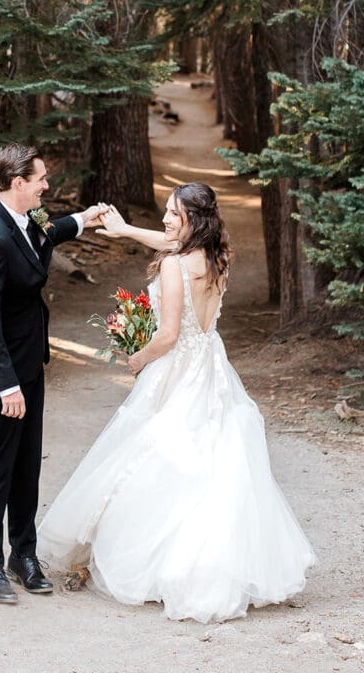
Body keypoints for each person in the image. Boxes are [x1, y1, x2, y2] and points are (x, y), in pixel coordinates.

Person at [37, 182, 316, 623]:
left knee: (155, 457)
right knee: (212, 462)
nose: (165, 220)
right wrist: (125, 230)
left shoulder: (173, 267)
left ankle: (159, 566)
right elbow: (169, 244)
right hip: (210, 363)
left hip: (176, 369)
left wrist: (137, 358)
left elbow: (167, 336)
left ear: (192, 221)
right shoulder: (215, 257)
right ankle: (214, 565)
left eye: (173, 214)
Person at [0, 143, 107, 605]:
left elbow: (49, 232)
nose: (47, 185)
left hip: (29, 363)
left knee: (27, 465)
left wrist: (87, 218)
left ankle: (23, 554)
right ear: (18, 183)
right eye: (41, 179)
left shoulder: (26, 220)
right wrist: (6, 384)